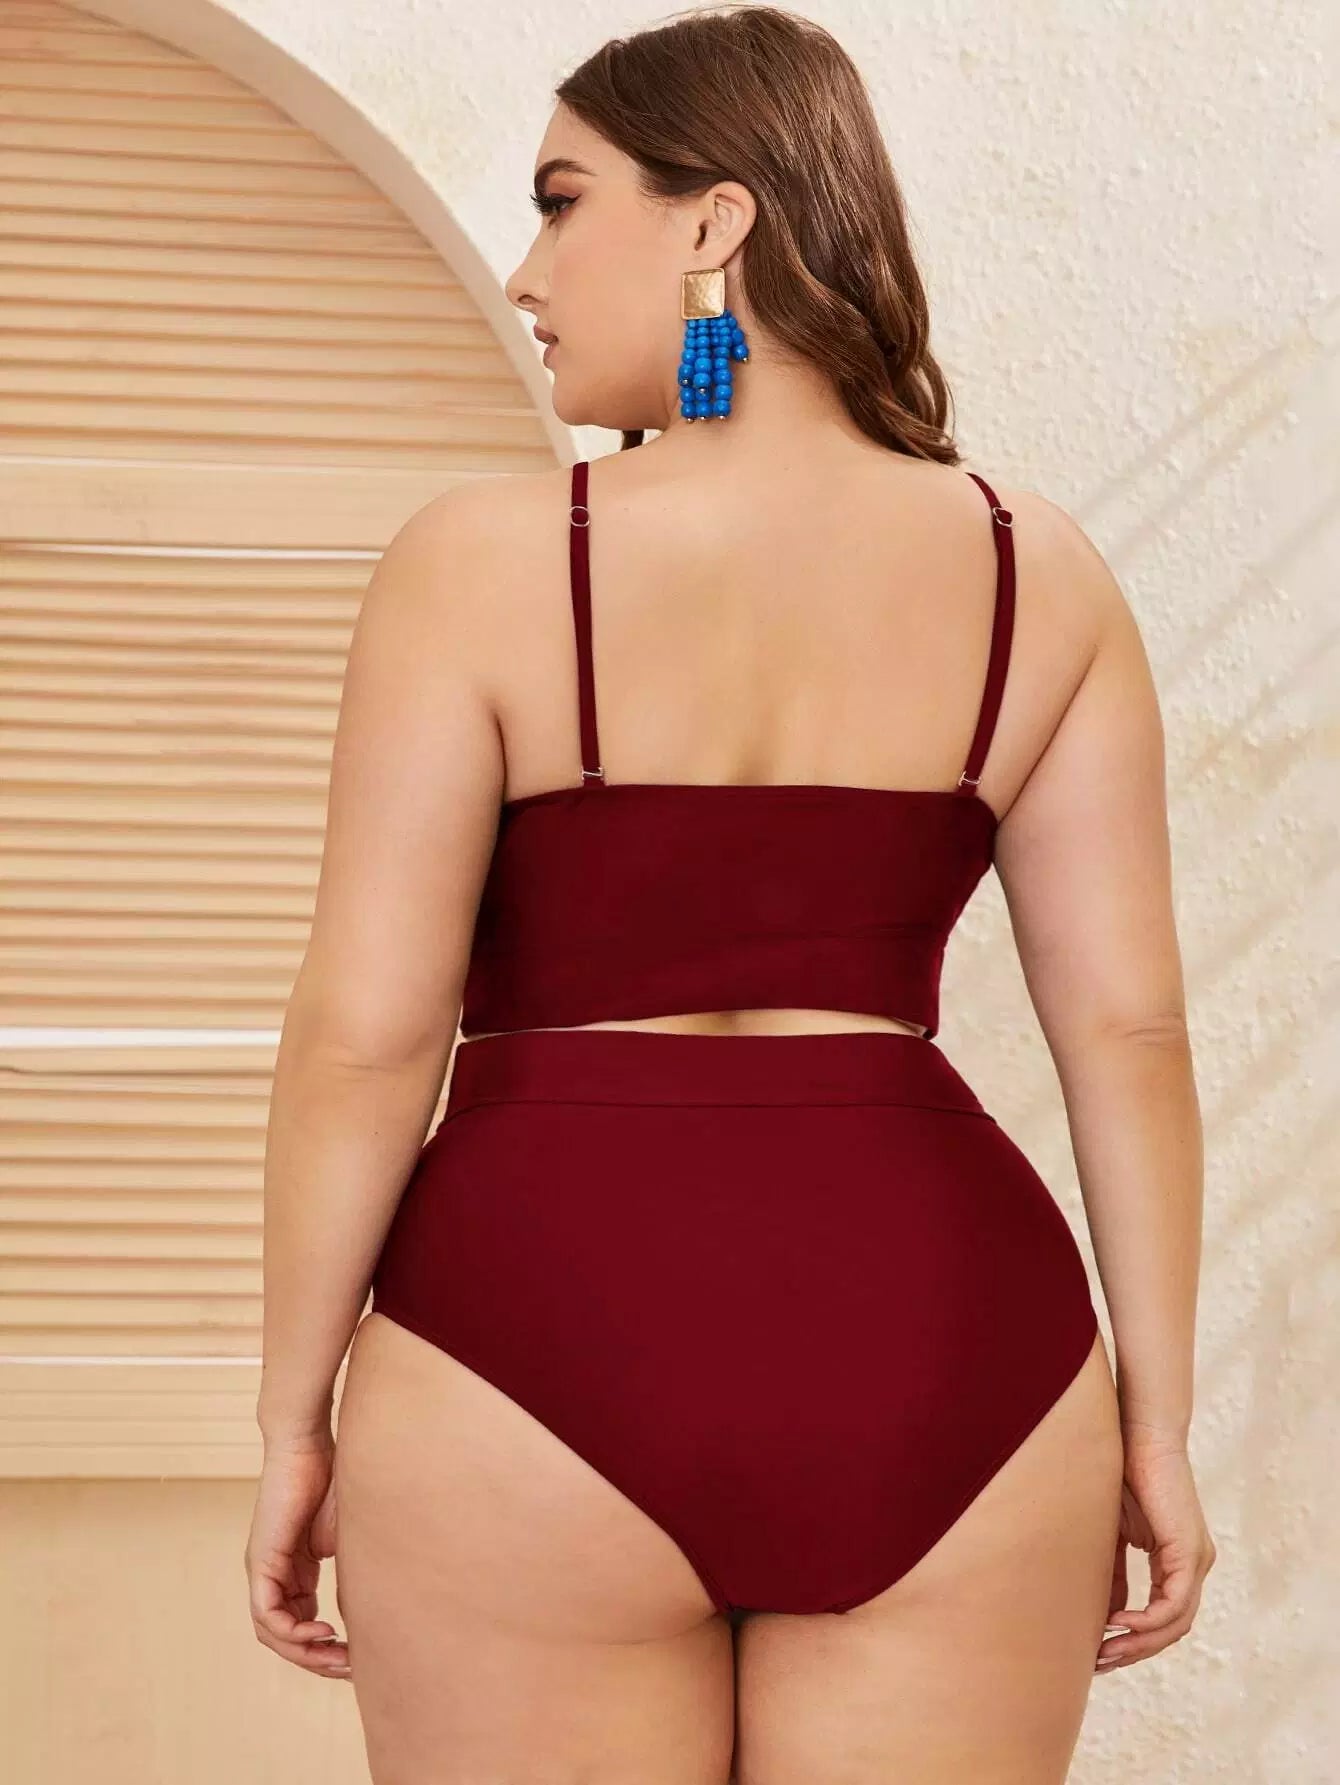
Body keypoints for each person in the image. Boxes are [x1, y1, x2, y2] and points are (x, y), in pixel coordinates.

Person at [244, 8, 1215, 1781]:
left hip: (528, 1341)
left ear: (716, 221)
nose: (527, 272)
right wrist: (1156, 1418)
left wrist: (293, 1414)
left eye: (561, 201)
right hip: (955, 1351)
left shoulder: (476, 563)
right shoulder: (1042, 574)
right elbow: (1130, 1031)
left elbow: (368, 1040)